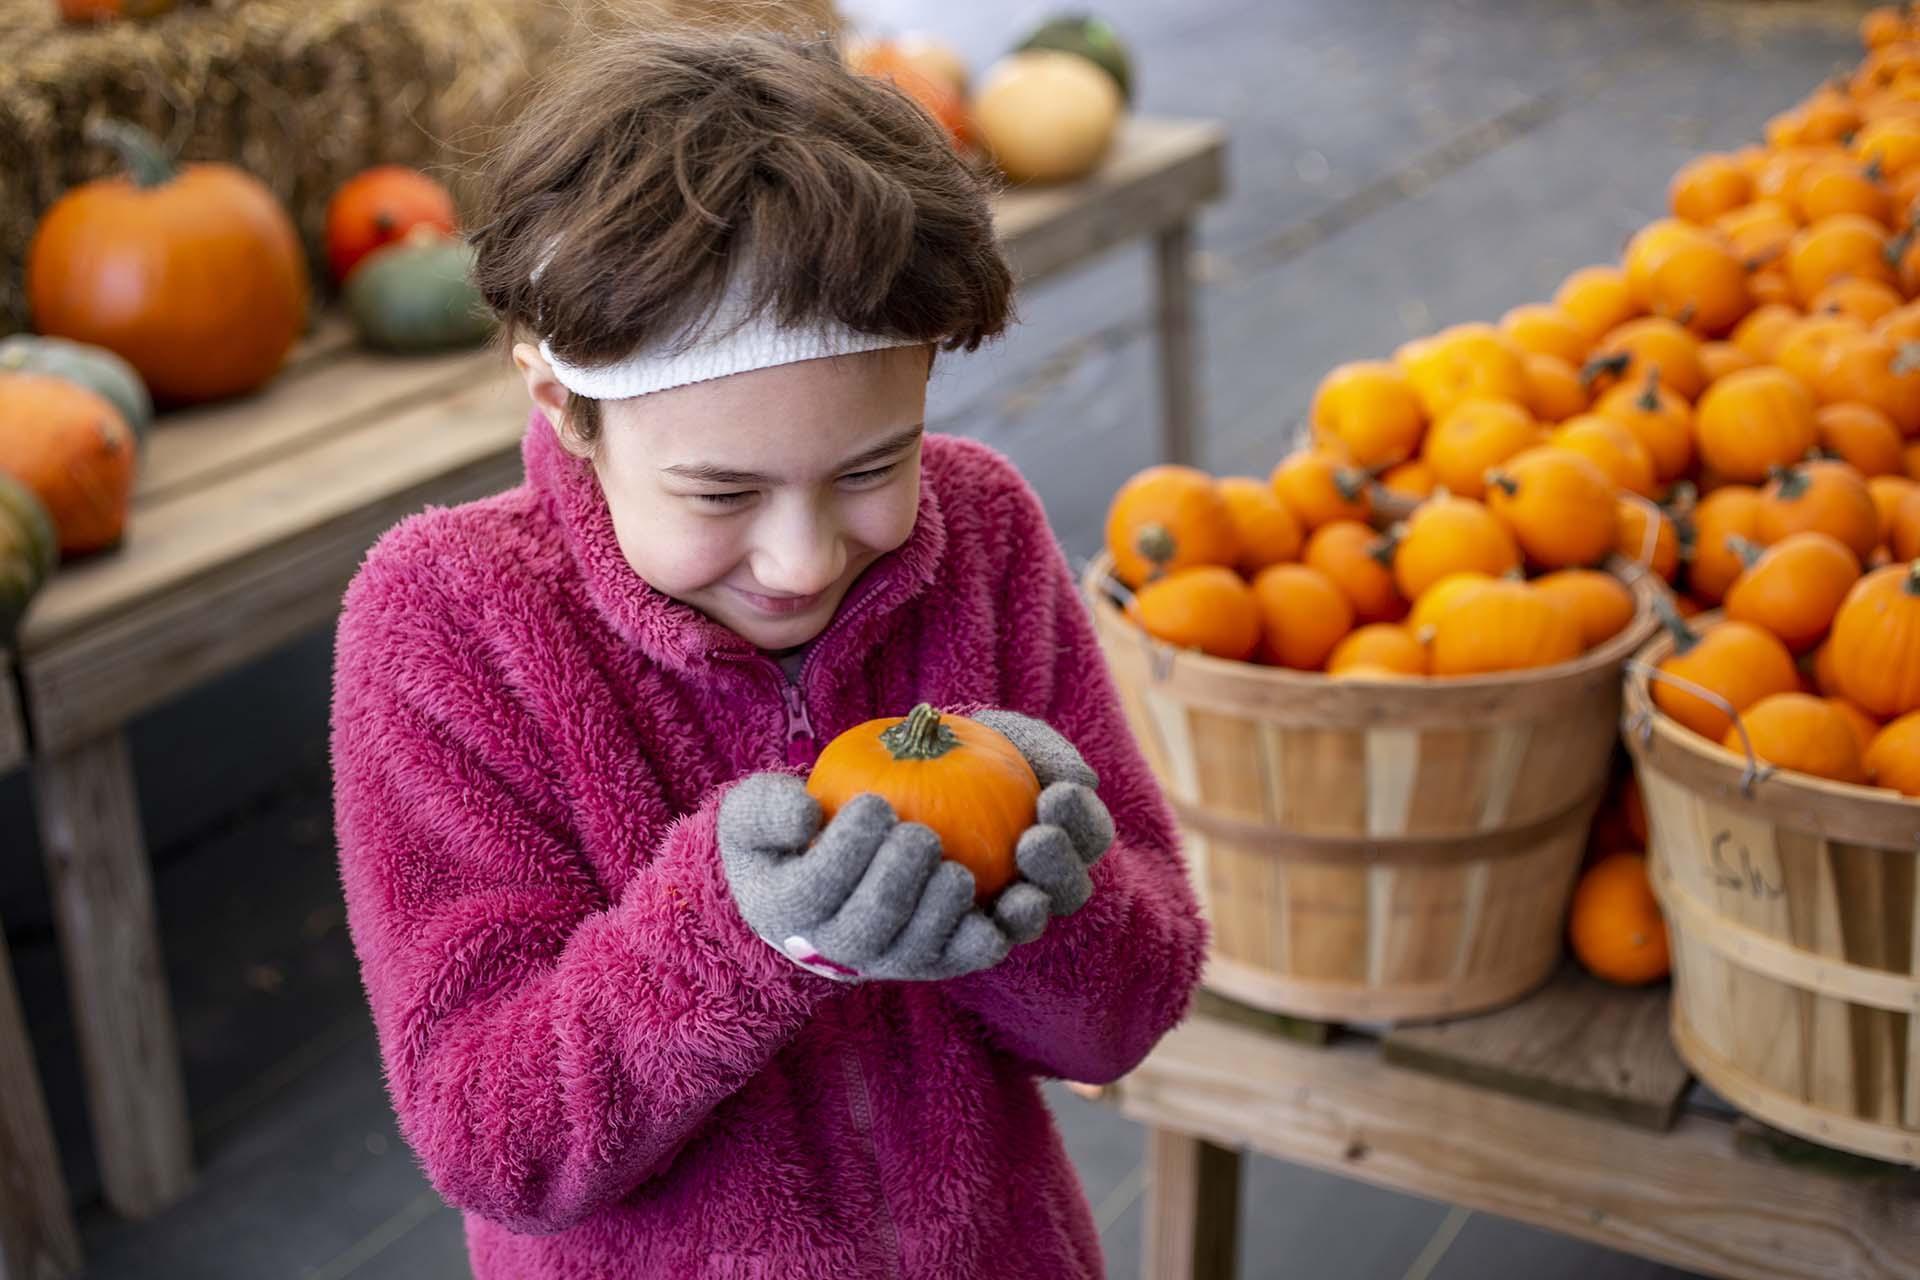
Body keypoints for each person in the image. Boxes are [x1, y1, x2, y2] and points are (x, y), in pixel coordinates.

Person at [330, 25, 1205, 1280]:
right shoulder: (448, 623)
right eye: (720, 492)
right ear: (558, 400)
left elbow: (1125, 1012)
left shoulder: (989, 537)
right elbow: (497, 1140)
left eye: (871, 466)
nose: (800, 560)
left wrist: (1050, 911)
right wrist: (742, 933)